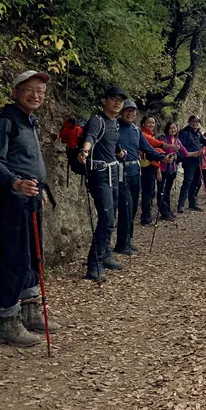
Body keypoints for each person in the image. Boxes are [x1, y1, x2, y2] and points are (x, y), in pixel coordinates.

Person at [0, 69, 59, 347]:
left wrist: (35, 188)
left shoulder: (30, 122)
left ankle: (29, 312)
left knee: (32, 257)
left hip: (30, 198)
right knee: (15, 259)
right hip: (11, 201)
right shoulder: (5, 122)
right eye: (29, 89)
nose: (36, 95)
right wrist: (16, 183)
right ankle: (8, 321)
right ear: (15, 92)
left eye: (40, 91)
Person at [76, 87, 126, 281]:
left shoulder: (114, 123)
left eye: (120, 101)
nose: (117, 103)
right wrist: (85, 151)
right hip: (99, 173)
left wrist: (120, 152)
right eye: (113, 99)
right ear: (104, 101)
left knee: (111, 215)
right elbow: (91, 135)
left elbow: (114, 142)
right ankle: (94, 263)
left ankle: (104, 254)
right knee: (106, 217)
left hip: (113, 171)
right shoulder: (97, 120)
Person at [115, 99, 167, 255]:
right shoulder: (115, 128)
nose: (130, 113)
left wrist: (162, 157)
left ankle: (126, 241)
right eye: (127, 110)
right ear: (121, 111)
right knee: (125, 207)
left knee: (132, 209)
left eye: (133, 111)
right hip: (121, 172)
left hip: (135, 172)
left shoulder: (135, 130)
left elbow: (147, 148)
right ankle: (121, 244)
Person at [176, 115, 206, 213]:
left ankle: (192, 203)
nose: (195, 123)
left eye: (197, 122)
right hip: (189, 161)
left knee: (196, 183)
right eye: (193, 121)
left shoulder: (198, 134)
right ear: (189, 122)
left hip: (198, 161)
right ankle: (181, 205)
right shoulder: (185, 133)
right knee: (187, 182)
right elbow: (181, 148)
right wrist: (190, 155)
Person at [140, 115, 180, 225]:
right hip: (147, 166)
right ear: (143, 123)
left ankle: (148, 216)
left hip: (152, 165)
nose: (151, 124)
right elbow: (154, 146)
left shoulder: (149, 135)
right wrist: (166, 150)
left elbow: (154, 148)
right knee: (148, 192)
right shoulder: (144, 135)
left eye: (153, 122)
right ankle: (146, 218)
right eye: (149, 122)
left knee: (151, 192)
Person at [157, 121, 186, 221]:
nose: (173, 130)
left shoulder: (177, 140)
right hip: (163, 169)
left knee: (167, 191)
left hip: (173, 169)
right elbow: (157, 151)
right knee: (162, 191)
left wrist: (197, 153)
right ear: (167, 129)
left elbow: (184, 152)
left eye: (174, 128)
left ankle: (167, 210)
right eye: (171, 128)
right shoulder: (162, 139)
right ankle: (163, 212)